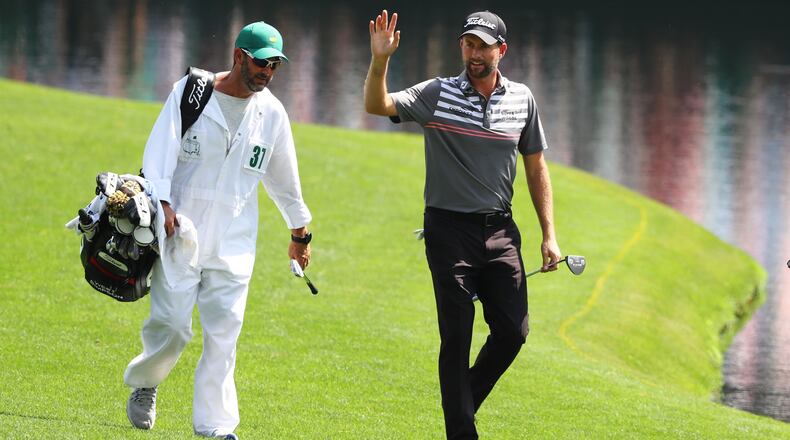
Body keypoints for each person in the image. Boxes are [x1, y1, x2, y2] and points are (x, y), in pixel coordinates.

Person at [364, 10, 562, 439]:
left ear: (501, 50)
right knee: (457, 333)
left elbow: (536, 167)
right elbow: (377, 105)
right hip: (448, 230)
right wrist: (380, 60)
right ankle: (461, 430)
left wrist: (549, 234)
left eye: (483, 46)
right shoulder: (438, 94)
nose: (474, 53)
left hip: (500, 231)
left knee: (513, 331)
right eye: (468, 44)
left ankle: (463, 400)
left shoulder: (522, 100)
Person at [123, 21, 313, 439]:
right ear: (239, 56)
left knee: (224, 337)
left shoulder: (272, 113)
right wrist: (164, 201)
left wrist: (299, 232)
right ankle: (146, 381)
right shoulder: (191, 93)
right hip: (181, 234)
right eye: (262, 63)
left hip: (234, 242)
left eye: (275, 66)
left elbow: (284, 178)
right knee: (171, 326)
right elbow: (160, 151)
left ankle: (216, 426)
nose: (268, 73)